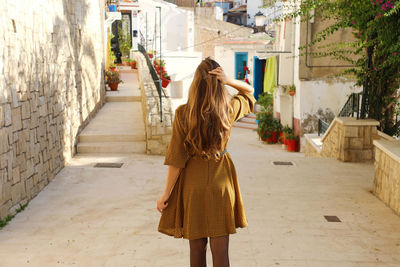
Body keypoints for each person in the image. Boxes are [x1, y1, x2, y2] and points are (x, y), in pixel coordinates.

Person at [156, 57, 256, 267]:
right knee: (221, 249)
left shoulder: (183, 113)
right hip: (222, 181)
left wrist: (166, 194)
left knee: (197, 248)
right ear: (219, 84)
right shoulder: (227, 109)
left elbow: (177, 158)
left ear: (195, 83)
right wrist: (228, 80)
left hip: (193, 183)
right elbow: (249, 91)